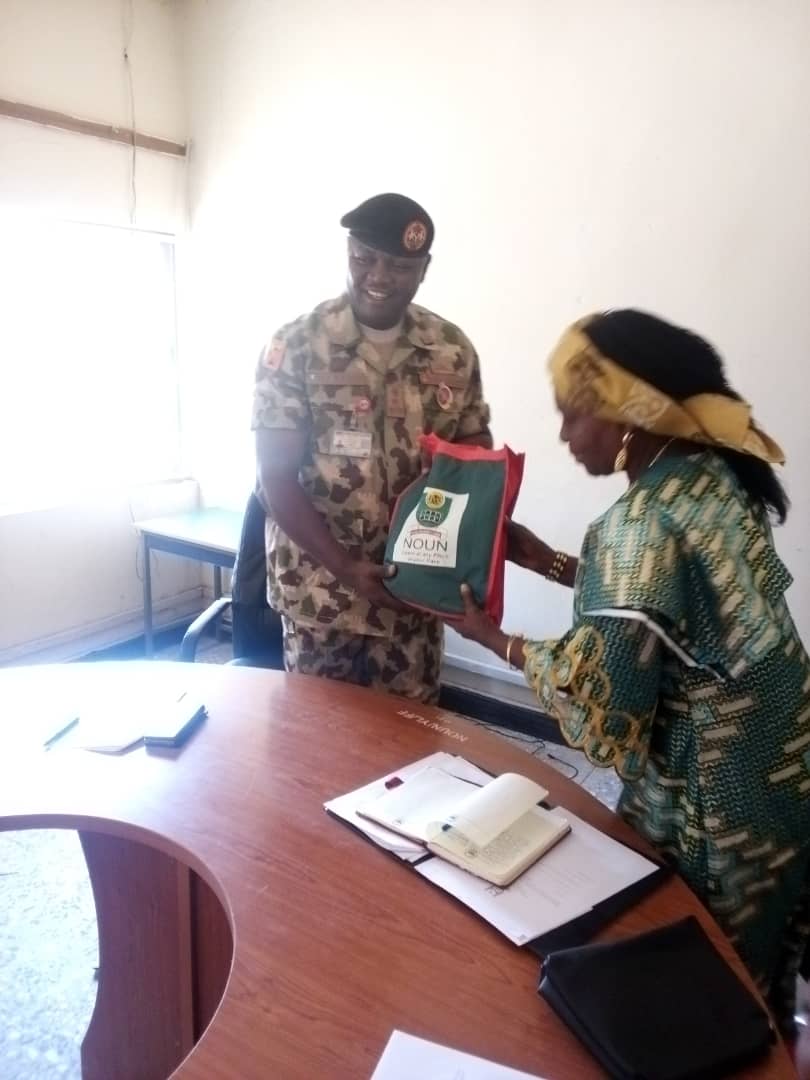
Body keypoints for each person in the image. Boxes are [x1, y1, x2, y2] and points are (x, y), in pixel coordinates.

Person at [449, 308, 810, 1033]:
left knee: (703, 967)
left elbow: (606, 698)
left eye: (572, 415)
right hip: (785, 760)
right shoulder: (708, 476)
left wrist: (492, 638)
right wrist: (545, 559)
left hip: (716, 792)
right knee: (759, 956)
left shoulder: (637, 523)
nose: (562, 435)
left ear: (624, 417)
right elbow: (665, 610)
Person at [252, 193, 492, 703]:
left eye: (400, 266)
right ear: (348, 252)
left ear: (424, 269)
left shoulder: (451, 348)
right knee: (319, 747)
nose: (379, 277)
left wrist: (462, 558)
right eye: (365, 259)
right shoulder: (297, 345)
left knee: (411, 753)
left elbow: (474, 452)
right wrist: (345, 568)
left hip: (415, 595)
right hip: (321, 596)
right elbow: (274, 478)